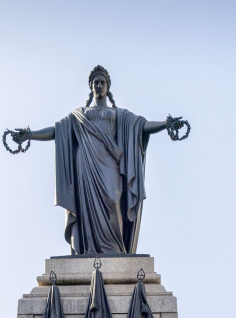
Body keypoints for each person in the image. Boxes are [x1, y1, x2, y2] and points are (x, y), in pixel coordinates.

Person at [10, 66, 185, 256]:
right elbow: (57, 131)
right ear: (91, 87)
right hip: (85, 165)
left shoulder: (119, 114)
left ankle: (115, 249)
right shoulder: (79, 115)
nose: (99, 85)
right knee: (87, 209)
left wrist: (165, 124)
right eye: (96, 83)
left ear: (108, 86)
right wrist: (30, 135)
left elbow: (141, 126)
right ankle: (89, 249)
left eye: (102, 82)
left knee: (113, 201)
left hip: (110, 165)